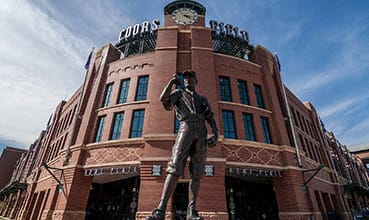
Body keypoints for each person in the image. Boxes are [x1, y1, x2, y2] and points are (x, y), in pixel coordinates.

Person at [146, 70, 219, 220]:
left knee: (197, 172)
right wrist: (172, 83)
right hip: (185, 128)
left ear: (196, 81)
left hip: (201, 131)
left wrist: (216, 135)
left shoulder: (202, 99)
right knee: (174, 167)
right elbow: (163, 99)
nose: (187, 80)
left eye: (191, 78)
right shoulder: (178, 93)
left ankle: (191, 211)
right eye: (185, 78)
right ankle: (160, 210)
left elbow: (210, 118)